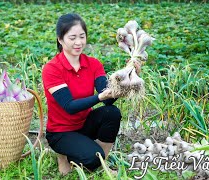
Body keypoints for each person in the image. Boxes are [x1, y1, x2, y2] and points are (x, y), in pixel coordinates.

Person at [41, 13, 141, 175]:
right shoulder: (52, 69)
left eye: (82, 36)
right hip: (60, 132)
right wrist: (99, 97)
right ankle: (63, 155)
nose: (78, 42)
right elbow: (69, 107)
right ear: (60, 39)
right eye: (72, 38)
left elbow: (108, 100)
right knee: (91, 158)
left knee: (112, 113)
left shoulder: (93, 64)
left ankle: (102, 163)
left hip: (84, 124)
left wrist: (128, 77)